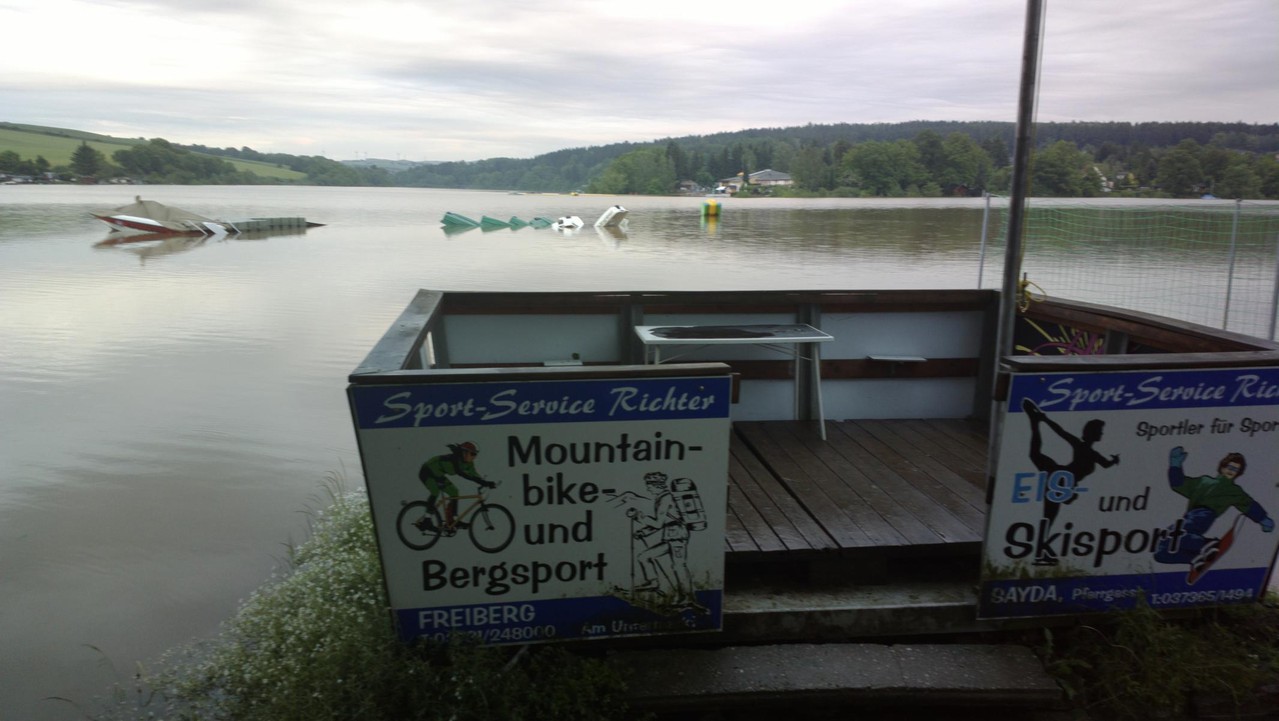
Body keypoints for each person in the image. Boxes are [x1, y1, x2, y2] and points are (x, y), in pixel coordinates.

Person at [1022, 399, 1120, 565]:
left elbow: (1105, 464)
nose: (1101, 434)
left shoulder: (1090, 452)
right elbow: (1061, 431)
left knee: (1049, 516)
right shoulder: (1083, 447)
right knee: (1049, 516)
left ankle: (1041, 548)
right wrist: (1046, 420)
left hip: (1063, 480)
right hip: (1061, 480)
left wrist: (1114, 460)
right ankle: (1041, 549)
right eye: (1100, 431)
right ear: (1092, 433)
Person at [1154, 447, 1274, 578]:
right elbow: (1178, 484)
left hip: (1205, 515)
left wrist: (1263, 519)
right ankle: (1195, 558)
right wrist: (1175, 465)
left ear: (1237, 474)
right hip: (1189, 516)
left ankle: (1207, 544)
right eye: (1229, 467)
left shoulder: (1233, 490)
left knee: (1177, 537)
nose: (1231, 471)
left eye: (1235, 470)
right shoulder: (1203, 481)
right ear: (1222, 467)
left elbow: (1249, 505)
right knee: (1161, 551)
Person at [626, 472, 696, 606]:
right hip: (670, 536)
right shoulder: (662, 498)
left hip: (677, 537)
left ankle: (687, 597)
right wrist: (644, 532)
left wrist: (638, 516)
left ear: (656, 486)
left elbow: (658, 523)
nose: (648, 489)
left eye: (649, 486)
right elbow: (663, 522)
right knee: (644, 557)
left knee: (679, 566)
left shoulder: (666, 498)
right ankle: (653, 582)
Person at [416, 441, 494, 532]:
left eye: (475, 454)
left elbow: (474, 475)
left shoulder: (469, 463)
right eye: (472, 454)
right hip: (427, 471)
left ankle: (451, 520)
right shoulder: (455, 459)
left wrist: (486, 482)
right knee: (435, 491)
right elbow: (462, 474)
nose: (474, 457)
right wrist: (482, 482)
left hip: (439, 474)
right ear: (464, 452)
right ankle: (427, 520)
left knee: (454, 492)